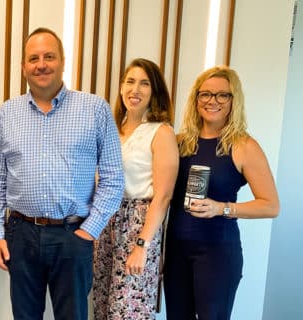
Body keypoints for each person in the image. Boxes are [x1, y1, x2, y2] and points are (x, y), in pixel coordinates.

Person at [0, 27, 124, 320]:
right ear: (23, 67)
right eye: (33, 58)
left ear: (62, 61)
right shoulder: (8, 113)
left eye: (49, 56)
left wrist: (89, 231)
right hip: (20, 235)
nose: (41, 64)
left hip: (73, 233)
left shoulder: (95, 109)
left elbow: (113, 179)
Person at [163, 66, 280, 320]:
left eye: (222, 95)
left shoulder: (243, 146)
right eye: (205, 94)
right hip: (175, 253)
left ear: (233, 101)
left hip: (217, 256)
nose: (212, 101)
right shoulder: (180, 142)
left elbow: (271, 205)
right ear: (196, 99)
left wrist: (222, 208)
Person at [92, 58, 179, 319]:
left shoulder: (160, 132)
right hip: (105, 222)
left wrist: (142, 245)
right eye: (130, 81)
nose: (135, 89)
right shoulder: (110, 130)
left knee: (128, 310)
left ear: (154, 91)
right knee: (102, 306)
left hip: (138, 225)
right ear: (121, 88)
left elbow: (163, 197)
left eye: (144, 83)